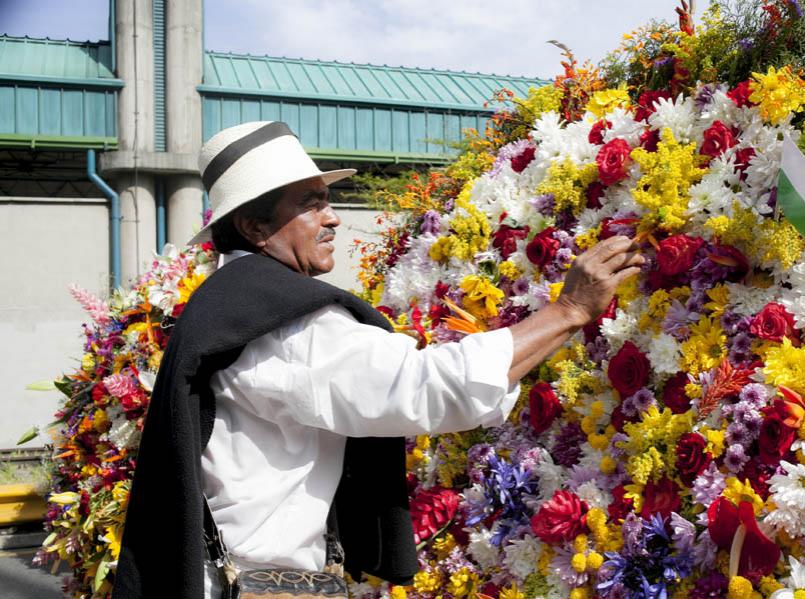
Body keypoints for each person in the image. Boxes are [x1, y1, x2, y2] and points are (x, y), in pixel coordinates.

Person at [112, 121, 644, 599]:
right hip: (261, 584)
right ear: (254, 229)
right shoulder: (283, 321)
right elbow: (428, 389)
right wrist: (568, 310)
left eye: (327, 200)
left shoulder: (230, 301)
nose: (333, 218)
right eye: (312, 204)